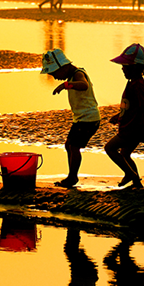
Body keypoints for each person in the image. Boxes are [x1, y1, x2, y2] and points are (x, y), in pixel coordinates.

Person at [105, 43, 144, 189]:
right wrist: (118, 116)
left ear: (134, 68)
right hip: (131, 126)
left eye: (125, 66)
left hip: (132, 129)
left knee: (109, 148)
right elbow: (130, 106)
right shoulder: (133, 83)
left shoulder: (137, 85)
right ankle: (137, 183)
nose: (122, 68)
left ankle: (130, 174)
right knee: (125, 153)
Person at [40, 48, 101, 188]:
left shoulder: (78, 74)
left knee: (74, 146)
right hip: (81, 119)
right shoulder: (73, 75)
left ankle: (72, 177)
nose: (55, 77)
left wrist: (66, 85)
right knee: (69, 145)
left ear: (64, 67)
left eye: (55, 73)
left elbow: (84, 85)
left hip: (88, 119)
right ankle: (71, 175)